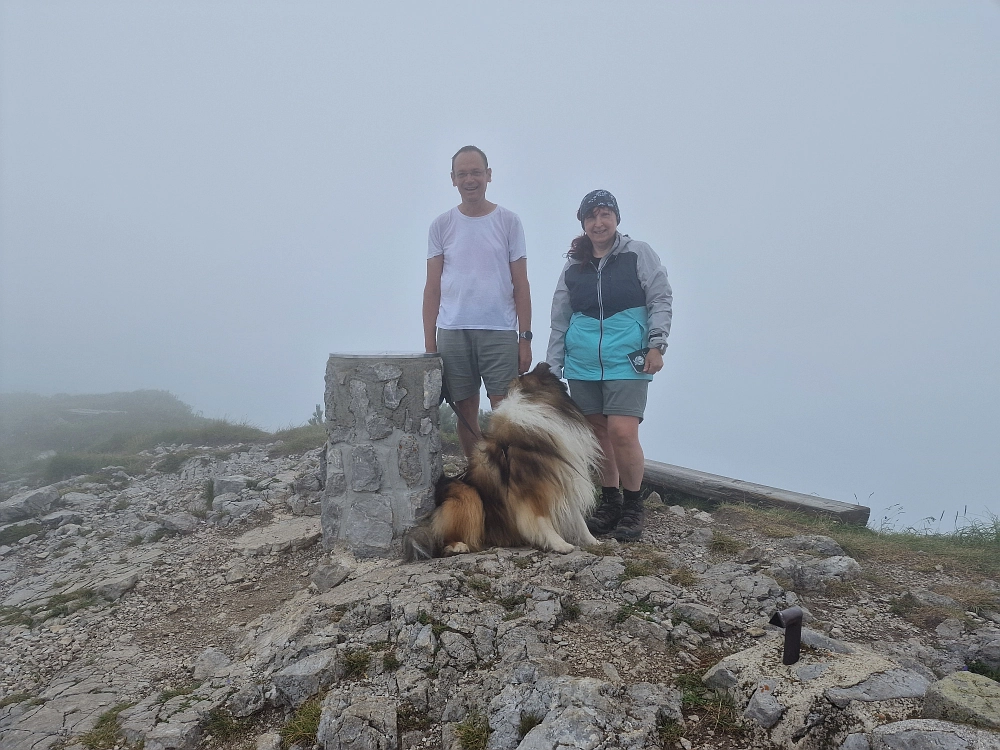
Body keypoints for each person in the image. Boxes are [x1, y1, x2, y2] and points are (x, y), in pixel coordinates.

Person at [546, 190, 672, 541]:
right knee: (598, 435)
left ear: (616, 218)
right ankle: (610, 501)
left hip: (628, 358)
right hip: (582, 363)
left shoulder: (637, 253)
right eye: (591, 216)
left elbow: (660, 296)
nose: (598, 222)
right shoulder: (573, 266)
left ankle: (633, 507)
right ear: (583, 223)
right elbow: (560, 320)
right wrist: (553, 369)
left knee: (622, 432)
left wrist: (657, 344)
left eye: (605, 214)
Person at [423, 145, 533, 458]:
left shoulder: (509, 222)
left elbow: (521, 284)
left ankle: (509, 479)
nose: (470, 179)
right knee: (465, 408)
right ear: (453, 180)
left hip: (499, 330)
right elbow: (432, 287)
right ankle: (478, 475)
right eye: (462, 174)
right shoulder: (441, 225)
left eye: (476, 172)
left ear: (488, 175)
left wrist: (524, 339)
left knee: (504, 410)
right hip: (453, 330)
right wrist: (430, 345)